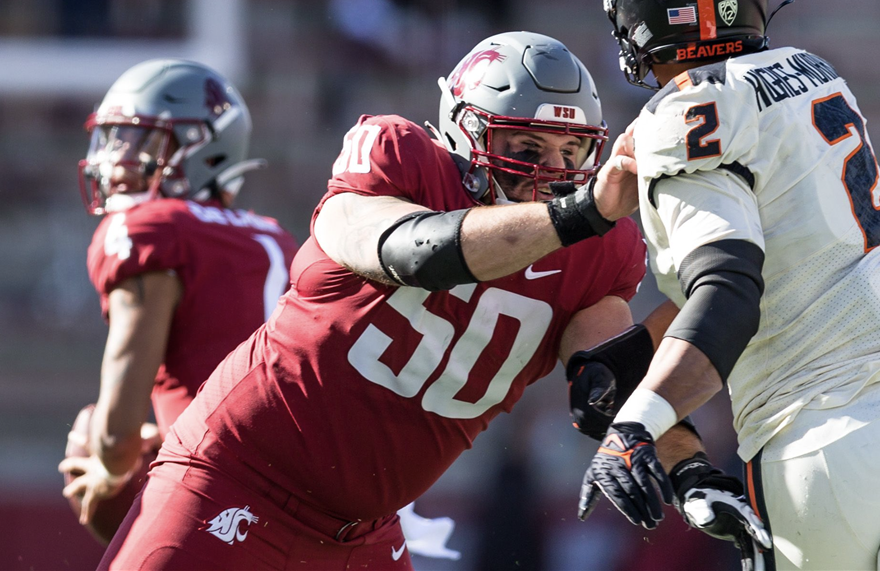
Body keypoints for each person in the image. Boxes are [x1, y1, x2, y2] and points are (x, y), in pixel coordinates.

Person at [98, 31, 649, 571]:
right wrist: (576, 215)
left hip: (365, 534)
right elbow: (411, 254)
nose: (550, 173)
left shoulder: (599, 247)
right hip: (236, 477)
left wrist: (664, 446)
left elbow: (608, 371)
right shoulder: (398, 158)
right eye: (527, 147)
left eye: (572, 151)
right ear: (466, 132)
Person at [578, 0, 880, 570]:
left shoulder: (684, 114)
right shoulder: (813, 72)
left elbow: (730, 290)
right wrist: (634, 356)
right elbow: (780, 261)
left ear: (644, 16)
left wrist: (638, 425)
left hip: (821, 440)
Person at [58, 59, 300, 544]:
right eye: (113, 139)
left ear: (206, 152)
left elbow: (117, 435)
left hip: (224, 496)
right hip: (317, 492)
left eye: (140, 142)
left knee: (90, 429)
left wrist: (108, 471)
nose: (116, 159)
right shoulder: (274, 237)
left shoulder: (150, 230)